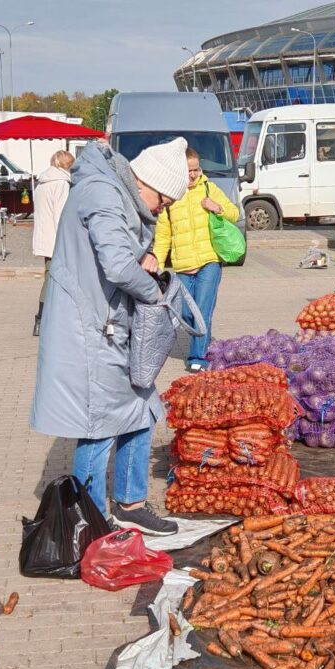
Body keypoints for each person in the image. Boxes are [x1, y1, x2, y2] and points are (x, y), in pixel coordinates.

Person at [30, 138, 190, 536]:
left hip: (113, 325)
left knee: (141, 410)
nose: (161, 210)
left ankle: (130, 504)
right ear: (146, 183)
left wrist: (144, 256)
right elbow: (117, 266)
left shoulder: (118, 193)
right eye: (164, 202)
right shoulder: (102, 193)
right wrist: (154, 292)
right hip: (89, 330)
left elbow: (122, 252)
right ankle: (92, 521)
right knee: (99, 425)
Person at [154, 147, 240, 372]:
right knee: (185, 313)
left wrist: (217, 208)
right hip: (183, 265)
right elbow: (163, 236)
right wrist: (158, 267)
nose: (193, 175)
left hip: (209, 262)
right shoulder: (170, 196)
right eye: (188, 170)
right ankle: (205, 343)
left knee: (202, 310)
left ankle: (198, 358)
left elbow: (234, 213)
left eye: (196, 169)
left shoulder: (209, 188)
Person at [31, 149, 75, 336]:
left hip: (44, 238)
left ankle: (46, 319)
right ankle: (42, 319)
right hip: (57, 239)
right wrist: (67, 241)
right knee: (52, 279)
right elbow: (61, 216)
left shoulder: (42, 183)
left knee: (50, 277)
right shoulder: (62, 184)